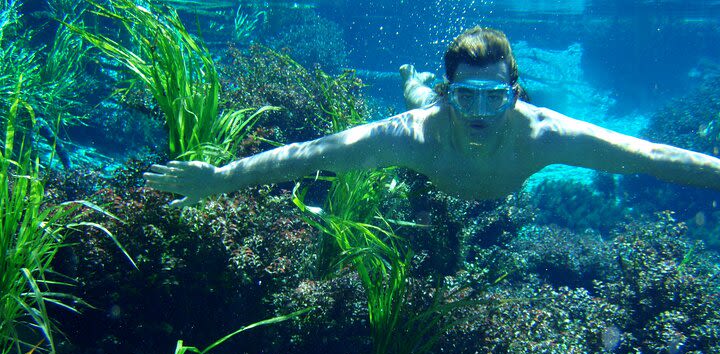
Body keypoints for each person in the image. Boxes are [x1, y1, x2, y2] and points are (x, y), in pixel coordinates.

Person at [143, 27, 720, 207]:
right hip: (427, 132)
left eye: (495, 97)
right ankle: (414, 85)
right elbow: (313, 153)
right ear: (452, 93)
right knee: (415, 107)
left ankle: (414, 84)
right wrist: (222, 178)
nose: (479, 113)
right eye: (465, 96)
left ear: (516, 94)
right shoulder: (417, 135)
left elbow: (649, 157)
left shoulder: (547, 136)